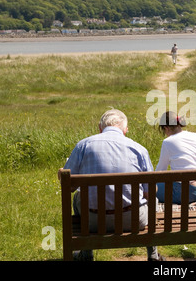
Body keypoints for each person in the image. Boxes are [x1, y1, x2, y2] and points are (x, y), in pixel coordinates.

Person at [59, 108, 164, 261]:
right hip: (133, 220)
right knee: (152, 200)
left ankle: (86, 253)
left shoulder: (83, 145)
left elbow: (70, 186)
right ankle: (153, 255)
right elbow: (149, 193)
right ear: (125, 130)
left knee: (78, 197)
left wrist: (61, 173)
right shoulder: (139, 150)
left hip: (93, 221)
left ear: (100, 128)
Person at [155, 111, 196, 204]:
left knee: (151, 187)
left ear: (166, 128)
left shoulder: (168, 142)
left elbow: (160, 170)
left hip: (185, 191)